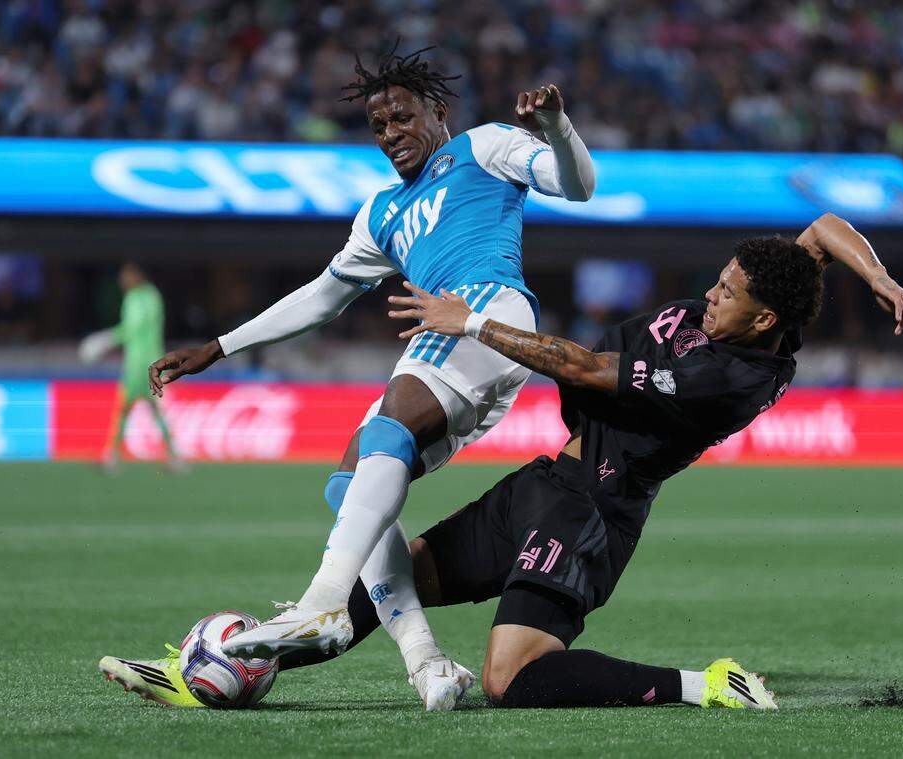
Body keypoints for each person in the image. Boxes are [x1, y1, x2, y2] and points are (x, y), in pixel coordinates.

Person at [102, 214, 903, 709]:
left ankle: (705, 683)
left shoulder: (729, 374)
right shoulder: (766, 296)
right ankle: (220, 663)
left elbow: (583, 368)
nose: (710, 295)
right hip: (544, 482)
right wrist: (884, 279)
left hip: (591, 513)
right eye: (716, 282)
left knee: (511, 677)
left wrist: (471, 324)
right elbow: (820, 232)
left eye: (726, 294)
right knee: (392, 582)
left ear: (763, 320)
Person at [136, 44, 596, 711]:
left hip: (485, 312)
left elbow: (578, 185)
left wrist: (556, 126)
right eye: (379, 127)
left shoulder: (482, 147)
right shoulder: (381, 213)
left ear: (436, 111)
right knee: (353, 478)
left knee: (386, 429)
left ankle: (323, 604)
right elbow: (321, 298)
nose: (391, 135)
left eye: (403, 118)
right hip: (452, 339)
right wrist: (218, 345)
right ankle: (429, 665)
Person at [87, 263, 182, 472]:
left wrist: (105, 340)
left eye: (125, 277)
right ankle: (174, 457)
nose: (122, 281)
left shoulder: (134, 299)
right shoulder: (154, 295)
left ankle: (112, 457)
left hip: (138, 365)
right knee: (155, 410)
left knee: (124, 409)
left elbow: (131, 329)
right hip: (156, 362)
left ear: (136, 276)